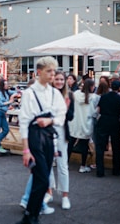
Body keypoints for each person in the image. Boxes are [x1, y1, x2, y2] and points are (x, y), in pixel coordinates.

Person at [16, 56, 67, 224]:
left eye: (54, 71)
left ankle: (31, 216)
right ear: (39, 72)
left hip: (49, 135)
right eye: (49, 71)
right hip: (34, 136)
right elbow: (23, 121)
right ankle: (31, 214)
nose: (52, 74)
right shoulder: (29, 93)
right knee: (43, 178)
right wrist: (25, 150)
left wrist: (50, 121)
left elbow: (61, 114)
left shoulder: (54, 93)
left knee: (41, 178)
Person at [46, 71, 73, 209]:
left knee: (63, 165)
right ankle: (49, 192)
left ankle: (65, 196)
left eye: (62, 79)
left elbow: (71, 116)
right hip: (48, 132)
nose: (60, 82)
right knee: (48, 163)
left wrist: (65, 108)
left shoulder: (69, 96)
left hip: (62, 132)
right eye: (57, 79)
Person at [68, 79, 100, 173]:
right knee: (84, 146)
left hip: (74, 123)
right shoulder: (95, 97)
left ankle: (65, 164)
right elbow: (95, 113)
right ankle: (82, 166)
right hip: (86, 124)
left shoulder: (76, 94)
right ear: (91, 87)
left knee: (70, 144)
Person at [95, 80, 120, 177]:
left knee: (100, 146)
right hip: (114, 121)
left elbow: (99, 110)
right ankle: (116, 170)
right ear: (119, 88)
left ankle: (100, 171)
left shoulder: (103, 97)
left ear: (111, 87)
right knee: (116, 146)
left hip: (103, 120)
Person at [0, 79, 17, 153]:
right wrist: (10, 101)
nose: (7, 85)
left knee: (6, 129)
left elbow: (14, 92)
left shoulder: (6, 91)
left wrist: (19, 92)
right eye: (6, 84)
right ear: (2, 85)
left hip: (2, 112)